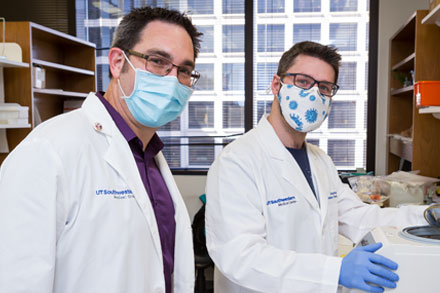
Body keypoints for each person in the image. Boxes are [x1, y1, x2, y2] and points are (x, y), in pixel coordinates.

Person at [0, 6, 201, 293]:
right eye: (158, 61)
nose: (172, 80)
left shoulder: (150, 157)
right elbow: (17, 282)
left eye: (184, 71)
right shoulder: (48, 151)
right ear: (118, 63)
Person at [205, 41, 428, 293]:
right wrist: (335, 271)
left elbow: (360, 217)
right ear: (277, 85)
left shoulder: (321, 161)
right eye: (302, 81)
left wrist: (427, 216)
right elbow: (240, 257)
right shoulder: (237, 161)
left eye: (324, 87)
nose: (313, 95)